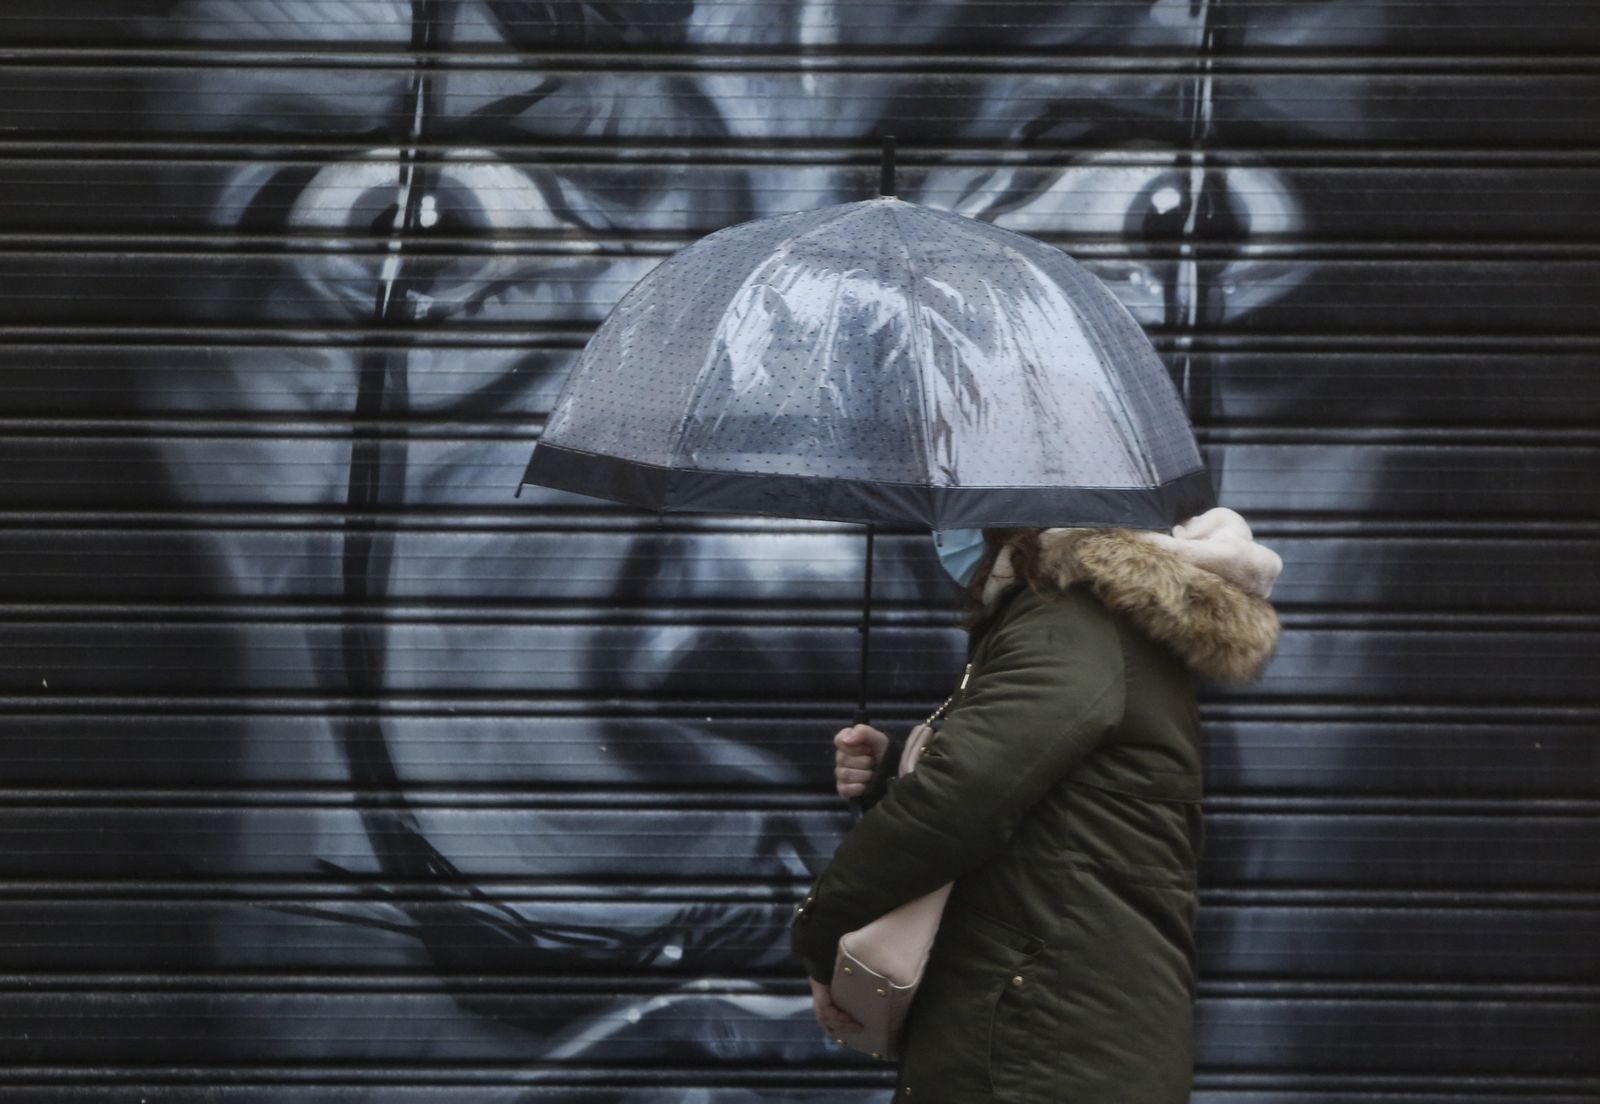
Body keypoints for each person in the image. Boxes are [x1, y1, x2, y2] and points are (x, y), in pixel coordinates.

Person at [790, 507, 1283, 1103]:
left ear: (1016, 509)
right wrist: (895, 768)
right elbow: (1055, 803)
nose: (947, 527)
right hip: (1050, 1029)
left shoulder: (1068, 616)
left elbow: (958, 802)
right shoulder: (1075, 615)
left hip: (1043, 1044)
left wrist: (823, 938)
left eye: (970, 504)